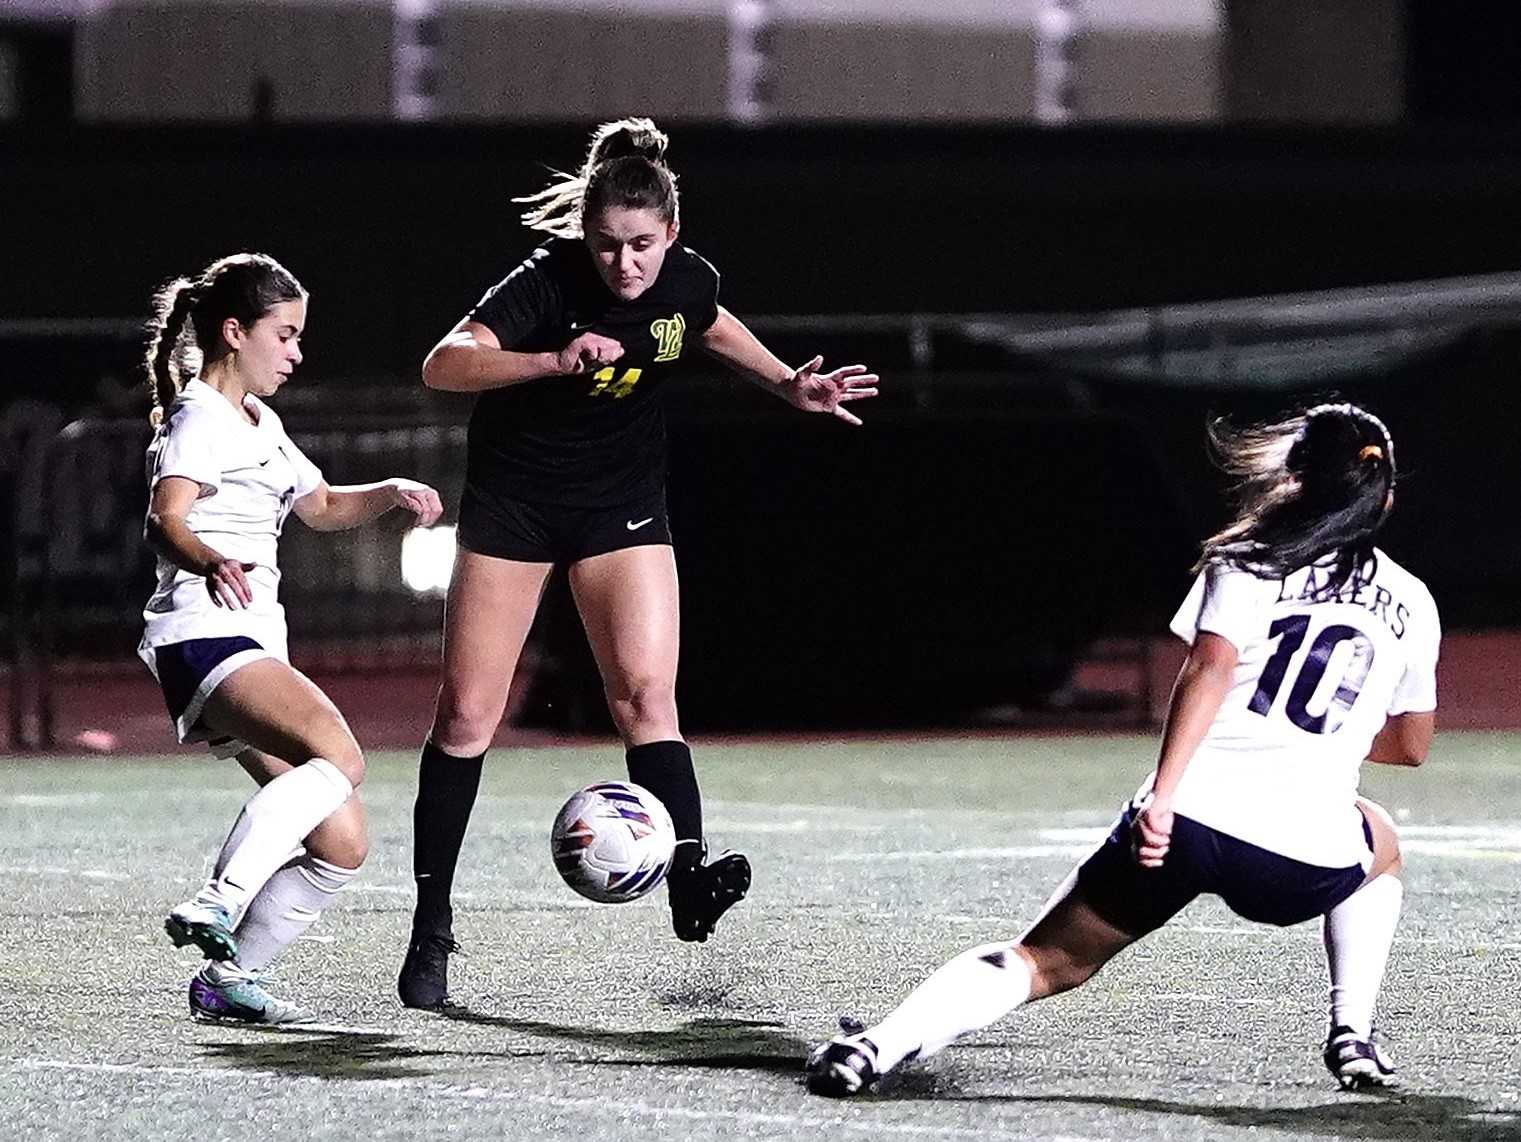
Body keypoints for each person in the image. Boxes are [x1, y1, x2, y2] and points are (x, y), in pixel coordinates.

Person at [807, 403, 1438, 1095]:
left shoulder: (1247, 557)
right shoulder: (1412, 601)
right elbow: (1409, 747)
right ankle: (1351, 1034)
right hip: (1296, 858)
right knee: (1379, 841)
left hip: (1185, 823)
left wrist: (1163, 799)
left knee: (1044, 960)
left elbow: (1209, 670)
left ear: (1290, 476)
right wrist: (1328, 745)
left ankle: (874, 1046)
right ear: (1385, 497)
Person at [398, 117, 879, 1009]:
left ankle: (688, 879)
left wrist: (788, 385)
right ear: (585, 236)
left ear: (672, 235)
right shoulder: (545, 283)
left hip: (619, 505)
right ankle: (431, 927)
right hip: (516, 507)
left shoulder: (685, 282)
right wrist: (547, 358)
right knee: (468, 716)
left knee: (646, 698)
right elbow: (442, 363)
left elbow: (711, 324)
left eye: (643, 245)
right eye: (610, 245)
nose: (626, 265)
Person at [139, 252, 443, 1023]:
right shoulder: (197, 419)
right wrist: (208, 558)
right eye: (285, 334)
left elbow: (322, 507)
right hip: (204, 635)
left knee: (339, 841)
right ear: (235, 332)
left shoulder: (260, 422)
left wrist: (390, 491)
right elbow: (165, 519)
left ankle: (227, 977)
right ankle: (217, 900)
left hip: (247, 645)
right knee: (340, 754)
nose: (296, 352)